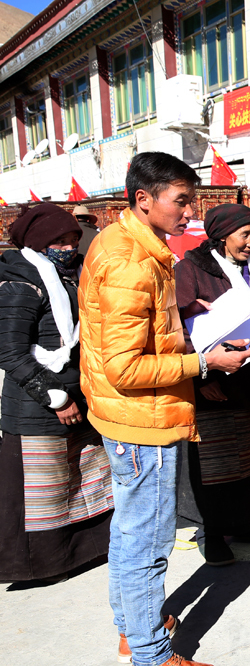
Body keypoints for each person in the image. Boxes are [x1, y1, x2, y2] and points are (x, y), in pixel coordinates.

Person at [79, 152, 250, 666]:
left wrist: (178, 313)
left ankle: (134, 628)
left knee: (130, 533)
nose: (189, 212)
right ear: (144, 199)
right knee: (147, 544)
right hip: (143, 422)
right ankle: (151, 653)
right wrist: (204, 363)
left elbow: (134, 329)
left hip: (129, 416)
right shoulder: (130, 262)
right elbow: (125, 367)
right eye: (181, 201)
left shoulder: (127, 243)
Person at [0, 204, 113, 583]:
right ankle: (44, 566)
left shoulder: (73, 276)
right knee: (44, 492)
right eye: (58, 241)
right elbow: (9, 352)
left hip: (78, 394)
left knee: (81, 479)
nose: (68, 248)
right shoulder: (20, 283)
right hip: (37, 406)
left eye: (72, 240)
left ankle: (83, 552)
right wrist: (56, 398)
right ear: (37, 242)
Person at [174, 204, 250, 566]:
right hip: (215, 383)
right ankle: (211, 533)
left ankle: (249, 523)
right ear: (222, 236)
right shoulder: (191, 269)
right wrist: (200, 378)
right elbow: (178, 329)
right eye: (245, 235)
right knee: (217, 464)